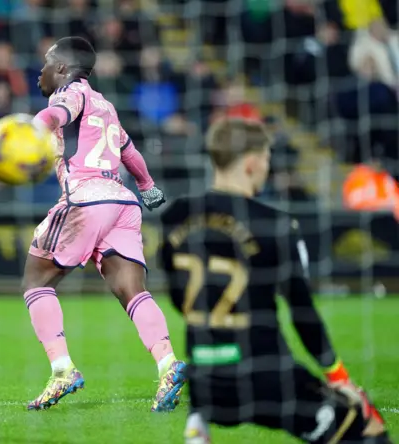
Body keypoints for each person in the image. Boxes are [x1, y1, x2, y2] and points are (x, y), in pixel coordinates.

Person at [159, 118, 391, 443]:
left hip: (205, 382)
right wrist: (338, 377)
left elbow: (177, 296)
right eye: (267, 159)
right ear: (253, 162)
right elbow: (302, 312)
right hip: (266, 380)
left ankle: (198, 421)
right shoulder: (274, 225)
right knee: (370, 428)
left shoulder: (175, 216)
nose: (268, 167)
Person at [22, 36, 187, 412]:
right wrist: (148, 188)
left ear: (63, 68)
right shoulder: (106, 106)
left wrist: (28, 130)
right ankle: (168, 364)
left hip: (87, 197)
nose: (40, 72)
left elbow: (54, 116)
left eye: (47, 63)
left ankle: (62, 369)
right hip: (123, 201)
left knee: (36, 281)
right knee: (132, 291)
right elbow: (129, 151)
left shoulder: (70, 94)